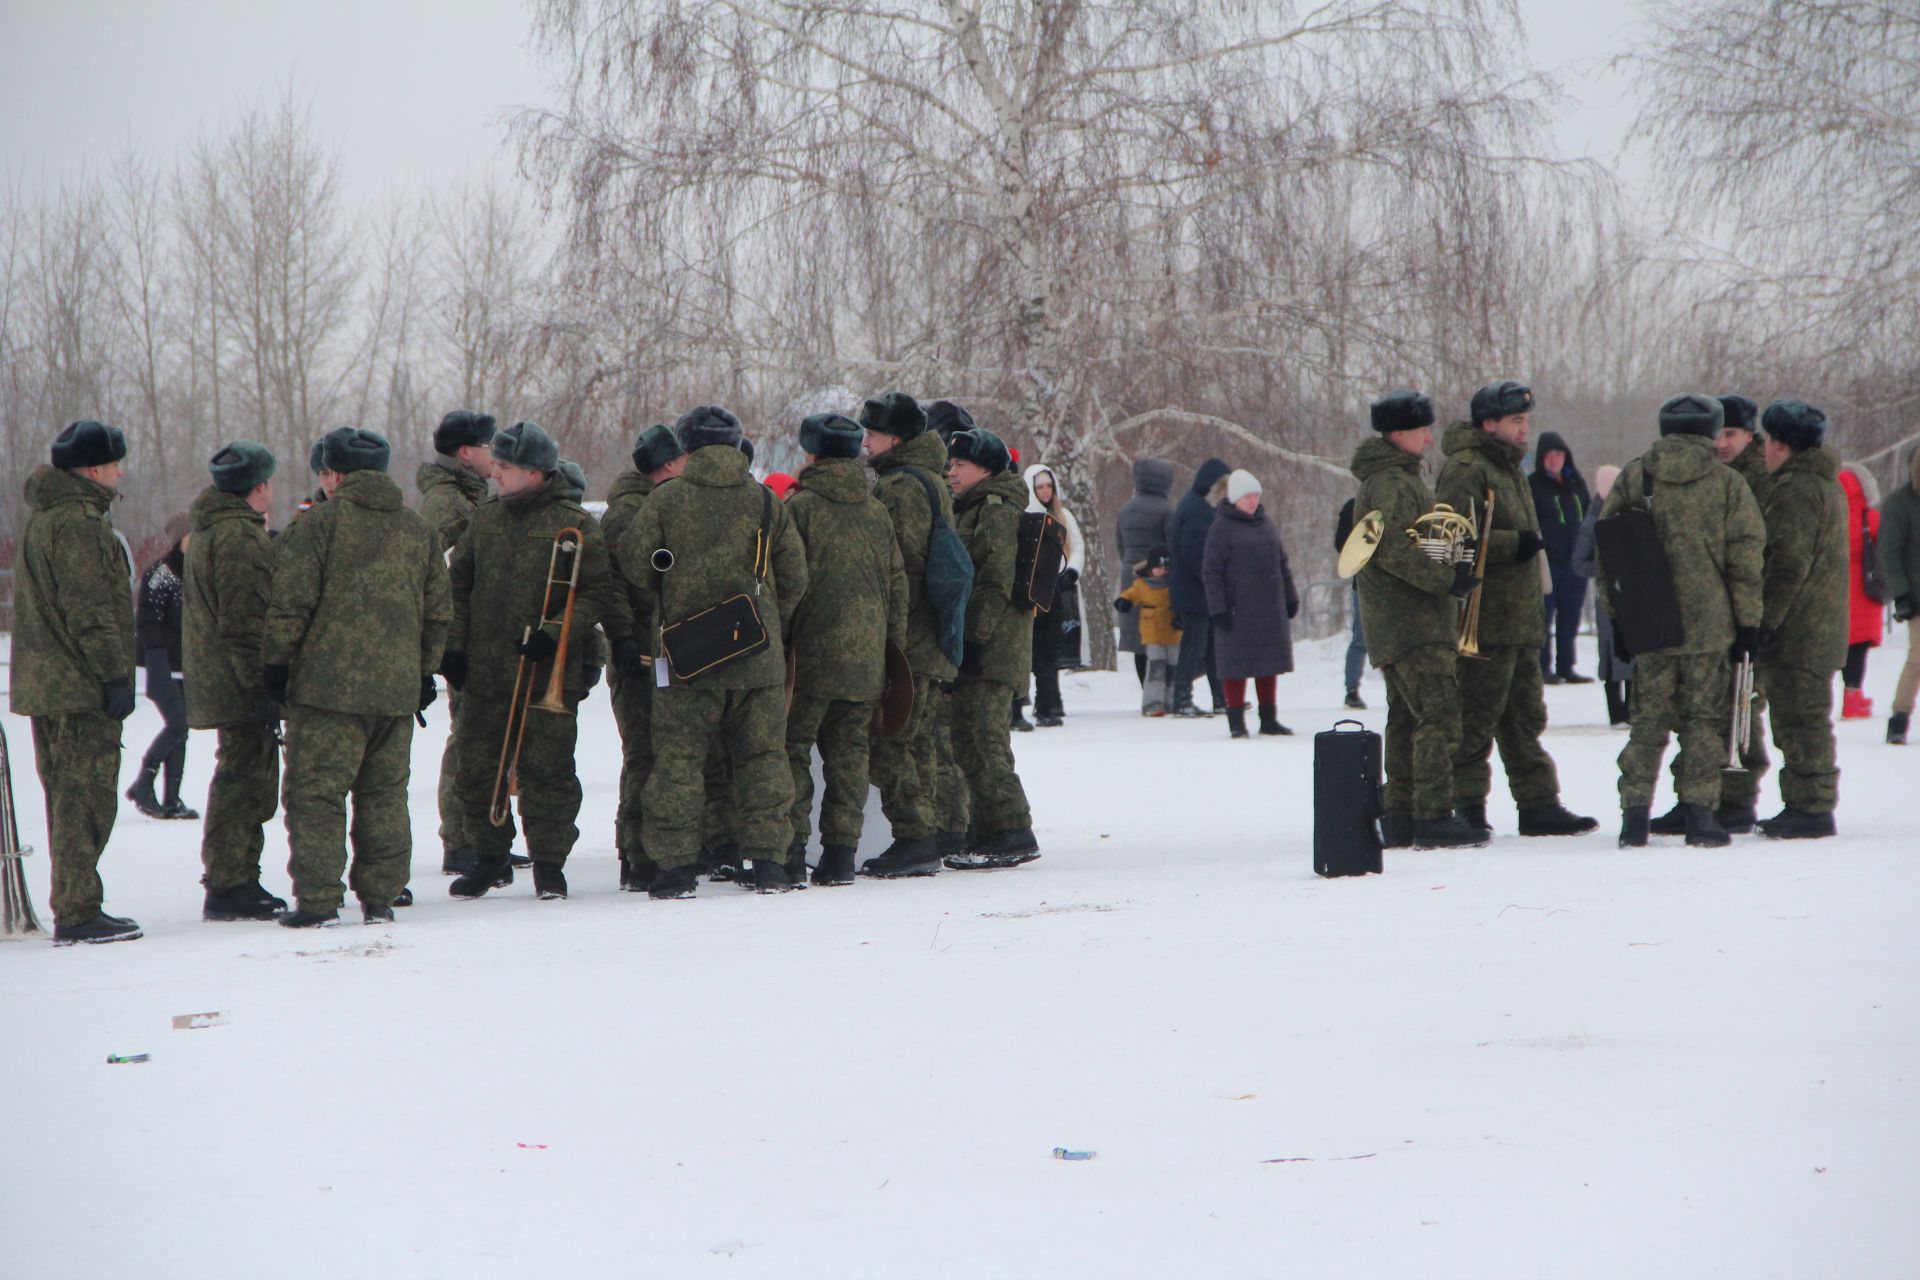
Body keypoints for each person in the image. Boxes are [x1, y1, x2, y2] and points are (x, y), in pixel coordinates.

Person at [263, 427, 450, 926]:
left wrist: (275, 666)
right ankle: (381, 897)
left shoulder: (316, 528)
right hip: (395, 692)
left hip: (326, 692)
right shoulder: (418, 531)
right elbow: (438, 613)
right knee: (384, 796)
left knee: (317, 794)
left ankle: (320, 900)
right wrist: (424, 670)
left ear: (337, 475)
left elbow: (289, 606)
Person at [444, 422, 638, 901]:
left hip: (547, 672)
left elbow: (597, 591)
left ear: (534, 472)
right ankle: (489, 858)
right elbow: (458, 587)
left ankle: (550, 863)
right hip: (486, 672)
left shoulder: (573, 523)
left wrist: (555, 634)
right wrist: (452, 648)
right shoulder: (485, 521)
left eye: (505, 468)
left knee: (548, 772)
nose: (496, 475)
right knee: (477, 770)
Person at [622, 405, 807, 896]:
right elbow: (795, 579)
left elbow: (636, 569)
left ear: (687, 447)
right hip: (757, 655)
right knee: (765, 758)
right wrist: (764, 623)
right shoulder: (767, 502)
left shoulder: (665, 502)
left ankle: (675, 871)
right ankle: (770, 863)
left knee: (678, 762)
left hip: (687, 658)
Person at [1598, 394, 1764, 848]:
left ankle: (1634, 815)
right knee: (1703, 722)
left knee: (1647, 722)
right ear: (1711, 431)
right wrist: (1749, 622)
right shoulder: (1729, 484)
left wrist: (1618, 621)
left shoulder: (1637, 475)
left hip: (1650, 625)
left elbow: (1608, 553)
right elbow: (1745, 559)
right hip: (1710, 626)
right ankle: (1700, 815)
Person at [1437, 382, 1595, 837]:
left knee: (1525, 717)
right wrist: (1512, 545)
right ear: (1490, 425)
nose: (1525, 429)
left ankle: (1538, 802)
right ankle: (1465, 804)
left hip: (1520, 618)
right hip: (1485, 619)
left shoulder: (1509, 469)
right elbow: (1450, 540)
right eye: (1516, 422)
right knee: (1474, 718)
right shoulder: (1467, 470)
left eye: (1526, 421)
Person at [11, 420, 143, 944]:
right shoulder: (81, 526)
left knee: (67, 795)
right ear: (94, 470)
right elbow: (90, 612)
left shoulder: (44, 521)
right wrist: (114, 675)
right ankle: (77, 908)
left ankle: (77, 901)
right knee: (85, 799)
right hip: (78, 683)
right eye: (115, 464)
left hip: (50, 683)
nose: (120, 472)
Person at [1350, 393, 1485, 848]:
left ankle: (1403, 814)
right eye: (1424, 429)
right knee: (1438, 714)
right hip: (1413, 622)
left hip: (1405, 621)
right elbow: (1391, 548)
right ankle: (1432, 815)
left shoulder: (1394, 479)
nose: (1431, 437)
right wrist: (1447, 579)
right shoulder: (1391, 483)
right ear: (1399, 434)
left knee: (1408, 719)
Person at [784, 413, 908, 886]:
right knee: (850, 757)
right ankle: (840, 857)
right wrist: (888, 651)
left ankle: (792, 854)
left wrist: (785, 640)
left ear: (812, 455)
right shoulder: (877, 511)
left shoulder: (800, 509)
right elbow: (897, 586)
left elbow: (789, 582)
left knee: (794, 752)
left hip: (810, 659)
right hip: (866, 661)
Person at [184, 441, 289, 922]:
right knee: (245, 782)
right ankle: (230, 882)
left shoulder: (209, 529)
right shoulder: (240, 538)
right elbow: (247, 624)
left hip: (220, 676)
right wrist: (262, 686)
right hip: (239, 682)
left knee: (239, 777)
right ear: (259, 485)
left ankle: (236, 877)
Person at [859, 392, 962, 878]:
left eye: (873, 434)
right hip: (932, 635)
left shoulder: (900, 487)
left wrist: (888, 639)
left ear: (895, 438)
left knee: (890, 741)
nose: (866, 442)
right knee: (917, 742)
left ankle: (915, 838)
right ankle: (929, 833)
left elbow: (896, 564)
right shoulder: (931, 479)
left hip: (912, 638)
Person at [943, 428, 1040, 869]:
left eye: (960, 465)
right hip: (984, 645)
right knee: (968, 739)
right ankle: (988, 831)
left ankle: (1012, 832)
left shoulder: (996, 511)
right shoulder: (973, 508)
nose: (951, 472)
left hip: (994, 648)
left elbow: (995, 581)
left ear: (984, 469)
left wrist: (974, 641)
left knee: (985, 741)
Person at [1752, 401, 1848, 839]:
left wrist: (1765, 621)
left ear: (1782, 446)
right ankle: (1807, 801)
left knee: (1800, 718)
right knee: (1805, 716)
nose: (1764, 451)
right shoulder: (1826, 485)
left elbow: (1787, 564)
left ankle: (1810, 806)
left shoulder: (1795, 489)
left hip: (1801, 629)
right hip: (1820, 624)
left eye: (1769, 442)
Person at [601, 423, 686, 890]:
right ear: (670, 465)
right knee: (644, 754)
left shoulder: (638, 506)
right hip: (636, 647)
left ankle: (641, 854)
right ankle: (636, 854)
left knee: (654, 753)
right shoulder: (631, 513)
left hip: (652, 645)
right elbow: (623, 583)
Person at [415, 409, 497, 878]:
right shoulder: (447, 506)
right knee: (466, 738)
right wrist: (447, 644)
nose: (494, 455)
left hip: (477, 635)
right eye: (487, 447)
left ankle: (481, 835)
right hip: (461, 640)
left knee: (480, 737)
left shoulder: (468, 499)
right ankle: (461, 840)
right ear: (466, 453)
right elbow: (434, 577)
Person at [1202, 469, 1299, 739]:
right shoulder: (1221, 528)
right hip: (1237, 610)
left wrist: (1290, 598)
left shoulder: (1266, 523)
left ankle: (1269, 719)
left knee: (1267, 664)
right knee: (1236, 665)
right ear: (1234, 498)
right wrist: (1218, 608)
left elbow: (1283, 564)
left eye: (1256, 495)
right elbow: (1212, 572)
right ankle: (1236, 721)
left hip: (1269, 609)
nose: (1253, 501)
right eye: (1248, 496)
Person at [129, 512, 198, 820]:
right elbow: (147, 620)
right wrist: (156, 660)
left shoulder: (192, 573)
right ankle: (143, 783)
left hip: (185, 668)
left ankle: (172, 798)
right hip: (163, 667)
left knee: (182, 731)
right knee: (178, 726)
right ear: (182, 537)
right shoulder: (162, 572)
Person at [1170, 458, 1232, 716]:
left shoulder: (1202, 506)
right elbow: (1195, 552)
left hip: (1199, 589)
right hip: (1194, 590)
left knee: (1210, 645)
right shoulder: (1196, 509)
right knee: (1194, 645)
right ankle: (1182, 698)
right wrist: (1213, 579)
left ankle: (1220, 698)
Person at [1571, 464, 1632, 726]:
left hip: (1630, 597)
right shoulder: (1591, 522)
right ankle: (1615, 710)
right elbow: (1579, 562)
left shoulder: (1629, 515)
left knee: (1631, 651)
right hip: (1607, 599)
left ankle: (1631, 708)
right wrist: (1607, 568)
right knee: (1609, 653)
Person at [1024, 462, 1084, 726]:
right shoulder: (1027, 514)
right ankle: (1035, 701)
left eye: (1049, 486)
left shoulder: (1064, 515)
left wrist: (1072, 571)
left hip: (1059, 589)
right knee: (1034, 650)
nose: (1045, 491)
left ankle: (1049, 701)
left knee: (1051, 649)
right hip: (1033, 591)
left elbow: (1078, 546)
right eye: (1040, 487)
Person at [1530, 430, 1593, 683]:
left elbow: (1589, 518)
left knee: (1571, 617)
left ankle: (1566, 666)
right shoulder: (1534, 485)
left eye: (1559, 455)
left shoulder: (1576, 483)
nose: (1555, 460)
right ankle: (1543, 668)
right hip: (1548, 563)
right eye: (1549, 456)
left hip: (1575, 564)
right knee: (1544, 617)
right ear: (1541, 458)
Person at [1113, 458, 1175, 686]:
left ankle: (1146, 690)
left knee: (1140, 638)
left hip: (1131, 578)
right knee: (1160, 635)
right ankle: (1162, 690)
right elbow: (1172, 547)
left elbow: (1120, 546)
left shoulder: (1124, 510)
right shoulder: (1167, 511)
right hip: (1159, 581)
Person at [1881, 445, 1920, 745]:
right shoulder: (1899, 504)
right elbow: (1890, 553)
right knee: (1918, 659)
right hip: (1916, 594)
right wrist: (1902, 594)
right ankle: (1900, 718)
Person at [1838, 464, 1882, 720]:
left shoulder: (1829, 515)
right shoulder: (1870, 517)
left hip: (1832, 587)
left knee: (1835, 645)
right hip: (1863, 589)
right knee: (1857, 648)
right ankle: (1853, 697)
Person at [1114, 546, 1179, 714]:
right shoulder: (1142, 585)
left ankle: (1172, 700)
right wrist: (1123, 601)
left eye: (1165, 568)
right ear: (1150, 568)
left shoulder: (1174, 584)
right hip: (1153, 634)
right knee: (1156, 669)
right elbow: (1131, 594)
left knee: (1173, 669)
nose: (1162, 571)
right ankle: (1152, 702)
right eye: (1158, 568)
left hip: (1174, 634)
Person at [1333, 498, 1369, 709]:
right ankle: (1352, 688)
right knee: (1361, 637)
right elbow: (1341, 544)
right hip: (1364, 579)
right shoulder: (1354, 506)